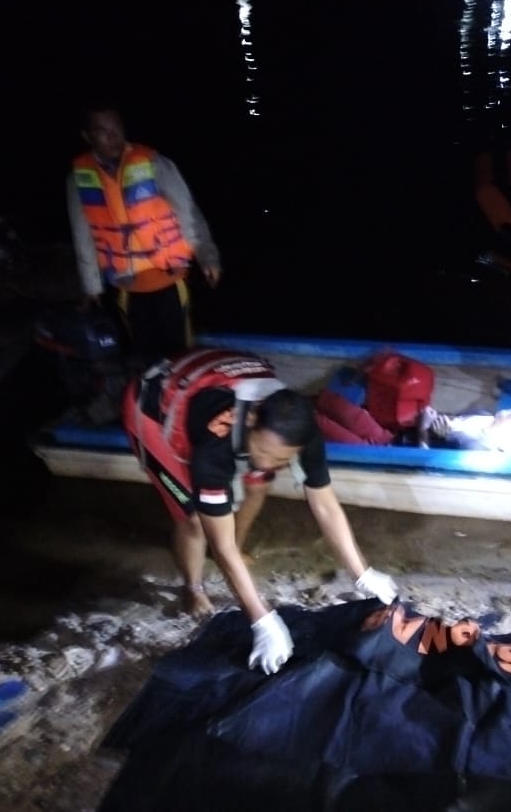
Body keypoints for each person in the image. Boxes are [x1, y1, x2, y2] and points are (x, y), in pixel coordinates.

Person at [123, 347, 399, 675]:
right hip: (155, 408)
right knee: (196, 520)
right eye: (265, 451)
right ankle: (192, 587)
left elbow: (324, 504)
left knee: (259, 483)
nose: (269, 463)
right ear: (251, 422)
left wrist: (362, 572)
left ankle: (239, 550)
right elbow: (220, 546)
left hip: (224, 381)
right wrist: (263, 620)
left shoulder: (303, 432)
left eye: (283, 459)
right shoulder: (215, 447)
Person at [66, 104, 222, 367]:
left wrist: (208, 256)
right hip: (127, 287)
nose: (113, 137)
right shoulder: (78, 178)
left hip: (170, 280)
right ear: (87, 136)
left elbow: (188, 212)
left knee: (180, 356)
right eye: (103, 131)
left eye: (117, 129)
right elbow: (82, 234)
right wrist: (91, 287)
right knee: (143, 357)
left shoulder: (153, 162)